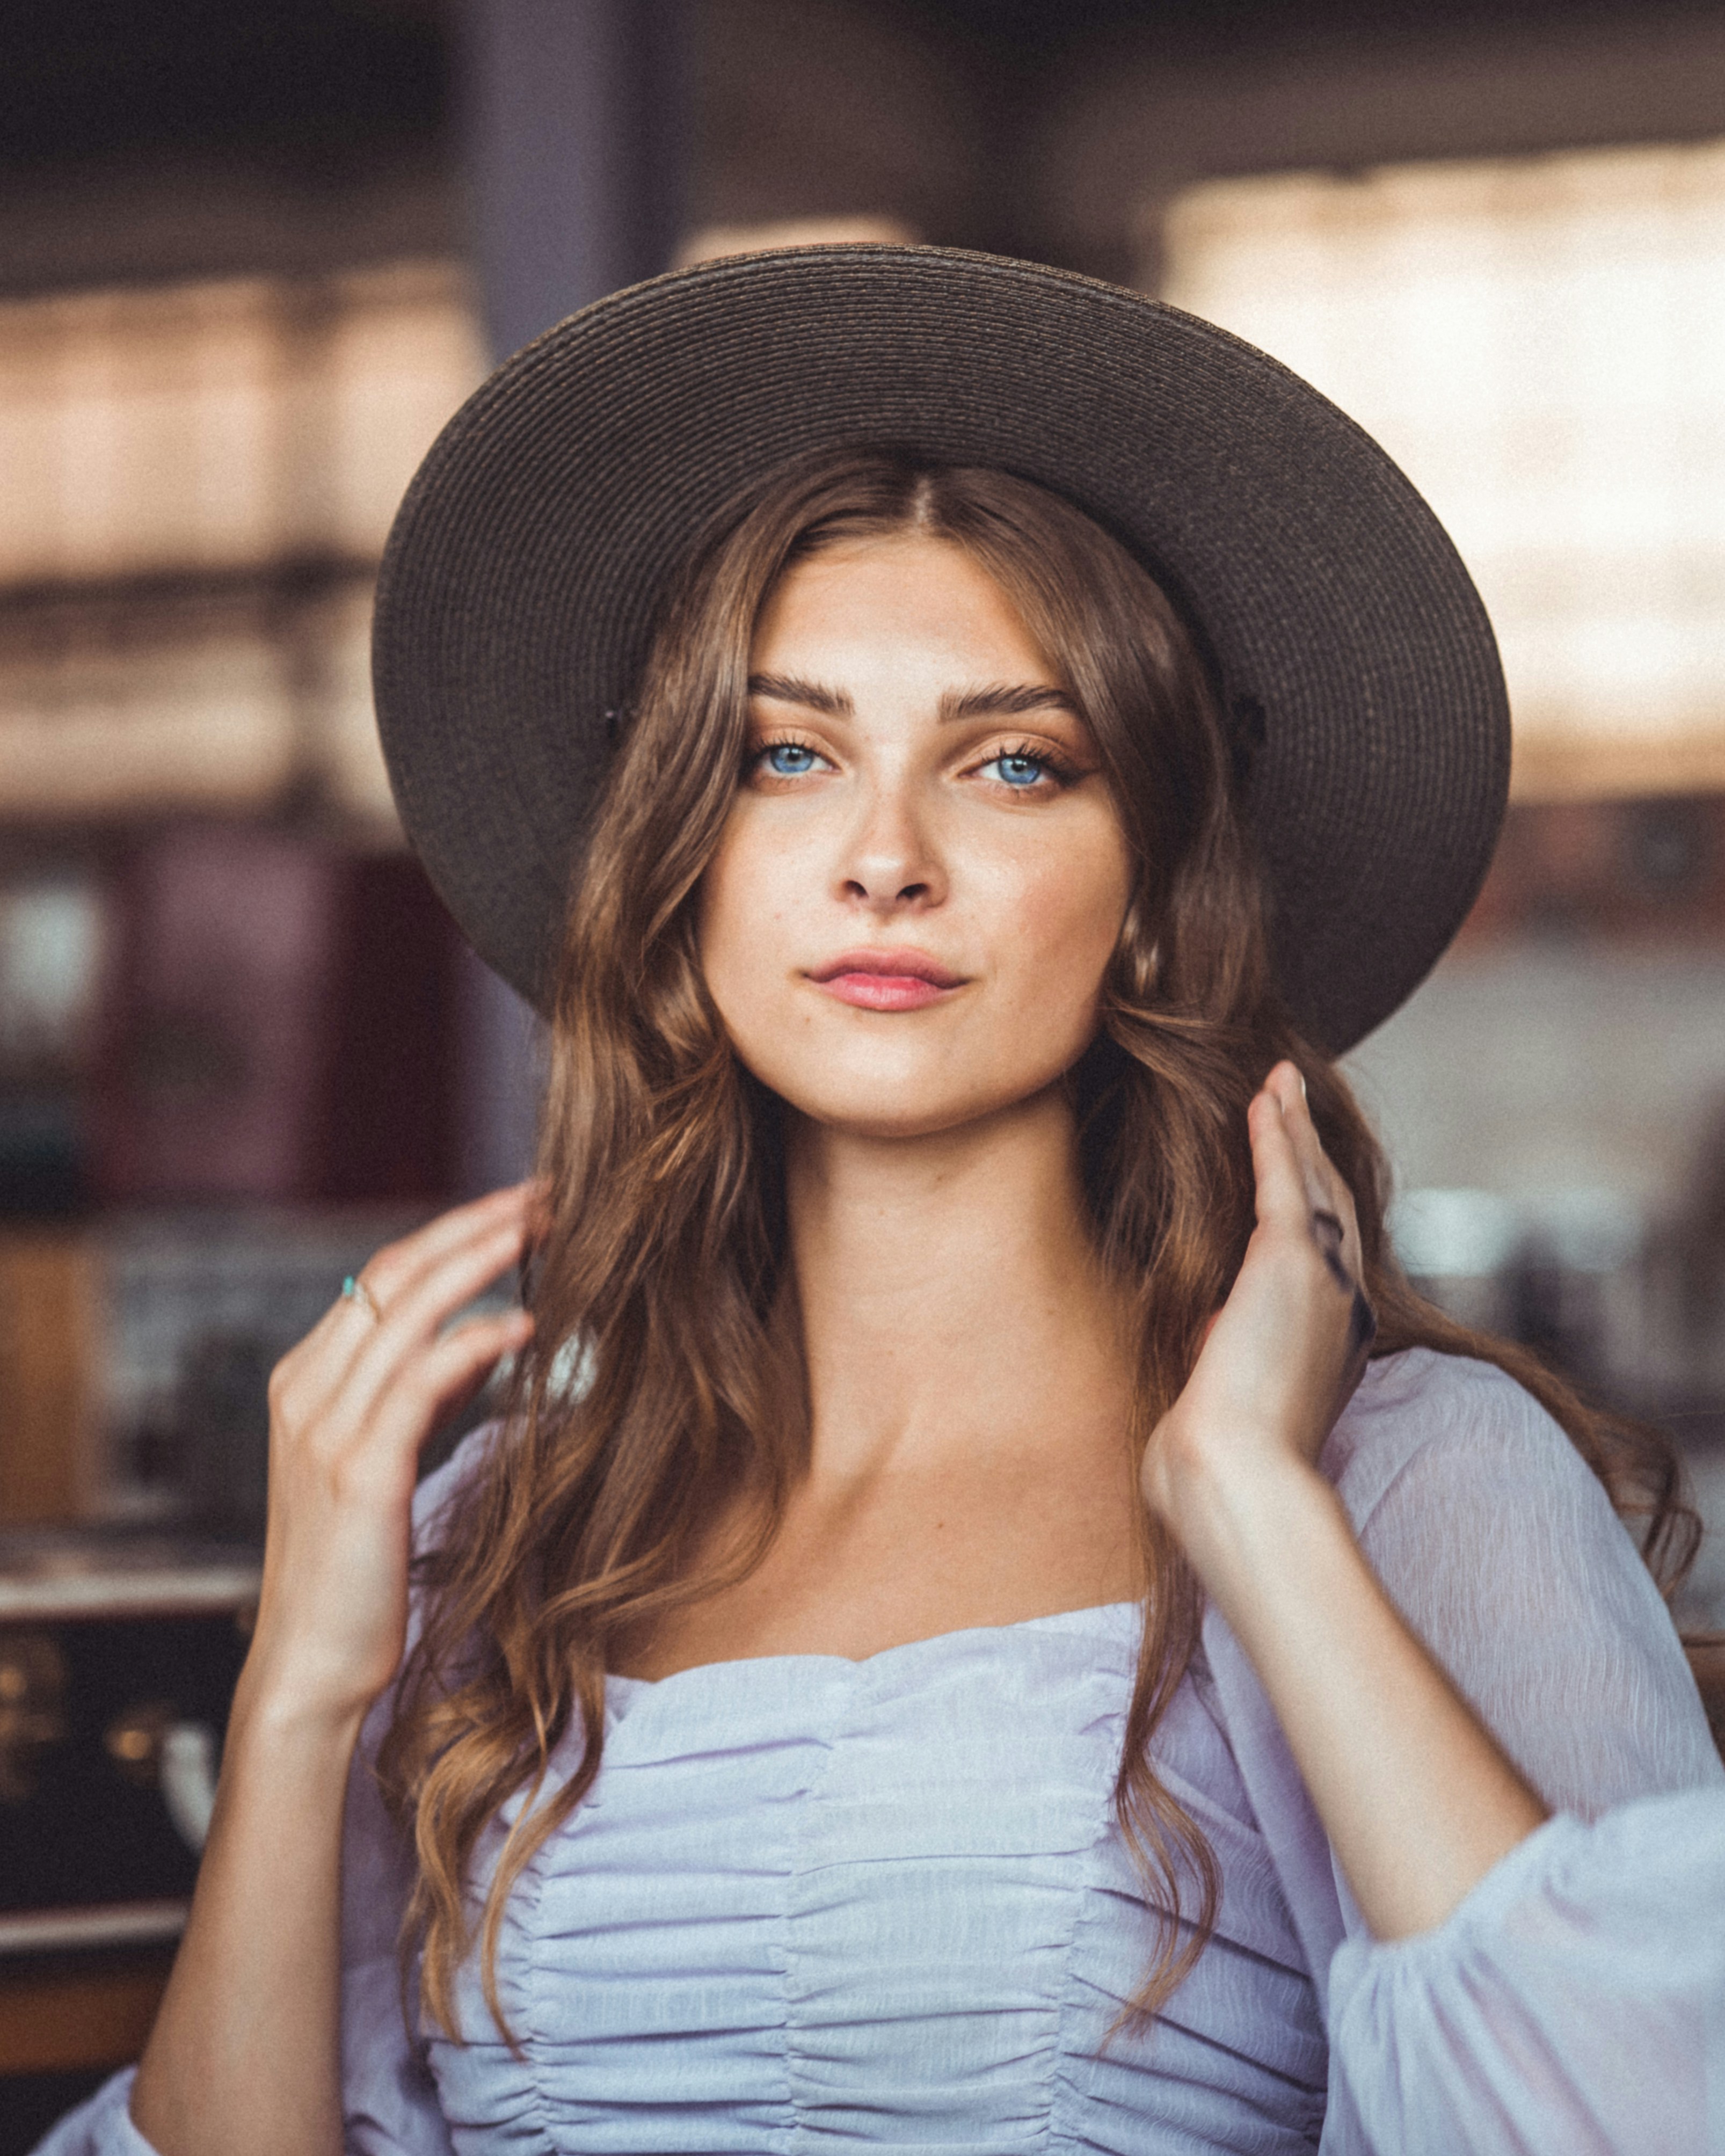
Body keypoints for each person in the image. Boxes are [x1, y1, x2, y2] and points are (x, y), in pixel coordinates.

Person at [40, 246, 1724, 2156]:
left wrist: (1247, 1503)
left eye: (1014, 763)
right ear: (682, 868)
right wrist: (301, 1687)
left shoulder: (1410, 1474)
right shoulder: (500, 1531)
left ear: (1158, 885)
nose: (884, 862)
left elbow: (1650, 2117)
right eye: (786, 755)